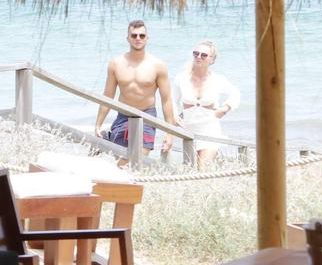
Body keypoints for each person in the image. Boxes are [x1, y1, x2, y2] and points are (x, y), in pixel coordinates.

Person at [94, 19, 179, 159]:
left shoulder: (158, 65)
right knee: (120, 161)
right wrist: (98, 123)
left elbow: (166, 100)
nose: (138, 38)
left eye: (142, 35)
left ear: (147, 38)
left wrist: (170, 133)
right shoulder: (116, 64)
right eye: (134, 35)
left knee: (139, 158)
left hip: (147, 115)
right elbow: (108, 96)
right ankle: (107, 137)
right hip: (123, 115)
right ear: (128, 38)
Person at [175, 39, 240, 171]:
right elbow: (171, 100)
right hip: (188, 130)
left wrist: (225, 108)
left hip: (210, 130)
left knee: (203, 169)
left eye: (204, 55)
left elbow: (235, 93)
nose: (199, 57)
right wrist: (175, 116)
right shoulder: (181, 78)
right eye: (196, 53)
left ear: (212, 60)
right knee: (189, 170)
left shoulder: (218, 80)